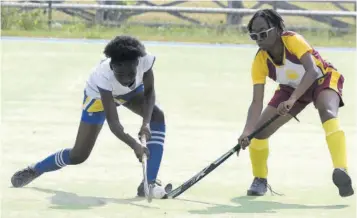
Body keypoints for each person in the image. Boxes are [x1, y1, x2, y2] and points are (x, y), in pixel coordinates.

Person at [11, 35, 169, 198]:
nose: (126, 79)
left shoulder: (145, 60)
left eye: (130, 73)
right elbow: (114, 123)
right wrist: (134, 144)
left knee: (157, 116)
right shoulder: (103, 75)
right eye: (120, 74)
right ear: (112, 67)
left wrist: (146, 124)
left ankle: (148, 183)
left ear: (137, 63)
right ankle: (35, 169)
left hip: (130, 93)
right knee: (79, 155)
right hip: (98, 98)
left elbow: (149, 93)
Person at [238, 9, 354, 197]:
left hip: (321, 79)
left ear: (276, 30)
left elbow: (313, 71)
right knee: (259, 133)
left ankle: (341, 170)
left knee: (327, 111)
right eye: (254, 35)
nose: (259, 38)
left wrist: (292, 100)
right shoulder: (260, 61)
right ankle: (260, 179)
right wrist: (247, 131)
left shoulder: (292, 40)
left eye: (263, 33)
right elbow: (256, 101)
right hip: (290, 88)